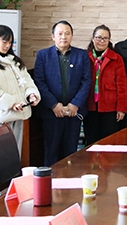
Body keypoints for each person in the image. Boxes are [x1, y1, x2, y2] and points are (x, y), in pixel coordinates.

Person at [0, 25, 41, 155]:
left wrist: (31, 94)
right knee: (2, 157)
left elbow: (27, 81)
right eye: (4, 42)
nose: (7, 46)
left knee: (16, 155)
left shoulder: (15, 62)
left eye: (10, 42)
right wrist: (11, 103)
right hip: (0, 118)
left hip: (19, 115)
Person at [34, 20, 91, 166]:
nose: (63, 37)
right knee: (51, 152)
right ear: (53, 36)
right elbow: (39, 82)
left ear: (72, 36)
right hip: (51, 113)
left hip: (73, 113)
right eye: (60, 34)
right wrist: (54, 105)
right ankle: (51, 180)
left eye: (67, 33)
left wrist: (75, 104)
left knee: (71, 153)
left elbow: (86, 81)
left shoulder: (82, 55)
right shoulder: (43, 55)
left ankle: (69, 179)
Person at [84, 25, 127, 145]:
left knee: (109, 142)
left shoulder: (116, 58)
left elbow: (122, 85)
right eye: (99, 37)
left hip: (110, 108)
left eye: (105, 38)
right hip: (90, 106)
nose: (102, 41)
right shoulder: (85, 57)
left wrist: (121, 108)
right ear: (93, 38)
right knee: (91, 142)